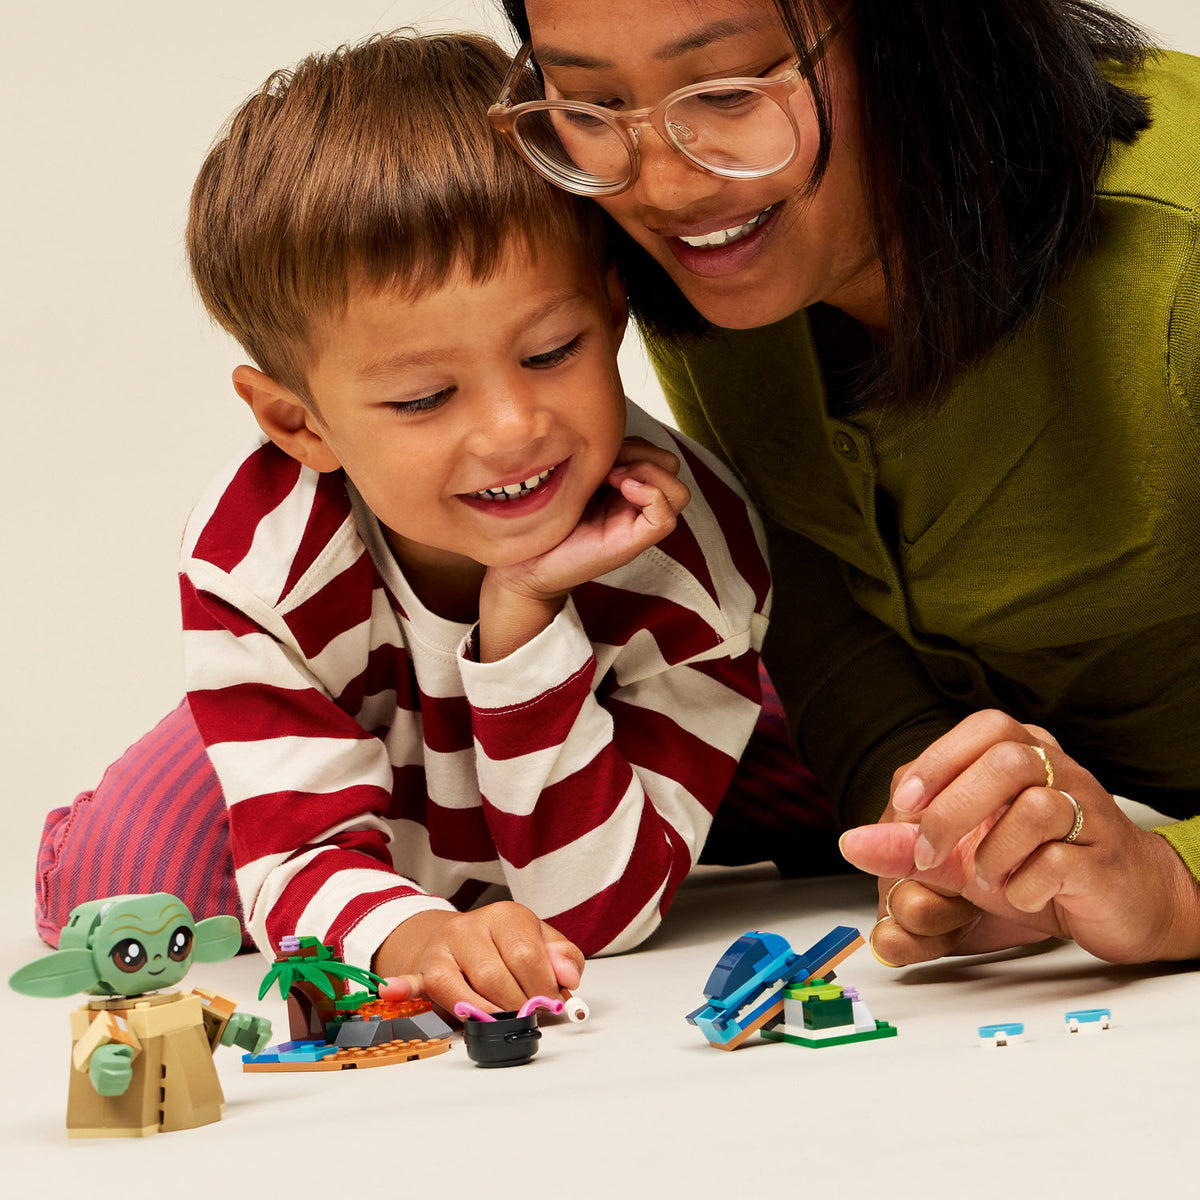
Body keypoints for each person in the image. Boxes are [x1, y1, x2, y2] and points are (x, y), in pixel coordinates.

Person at [34, 31, 774, 1015]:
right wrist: (414, 935)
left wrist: (523, 615)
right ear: (298, 424)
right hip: (358, 736)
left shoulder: (687, 547)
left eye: (552, 352)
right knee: (124, 876)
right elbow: (302, 853)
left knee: (827, 798)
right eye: (425, 399)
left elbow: (597, 917)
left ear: (611, 313)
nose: (512, 429)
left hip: (620, 732)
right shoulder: (259, 562)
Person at [494, 0, 1200, 966]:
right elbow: (817, 603)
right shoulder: (716, 253)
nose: (663, 185)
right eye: (589, 103)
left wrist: (1173, 886)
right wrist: (942, 835)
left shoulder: (1179, 251)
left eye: (730, 91)